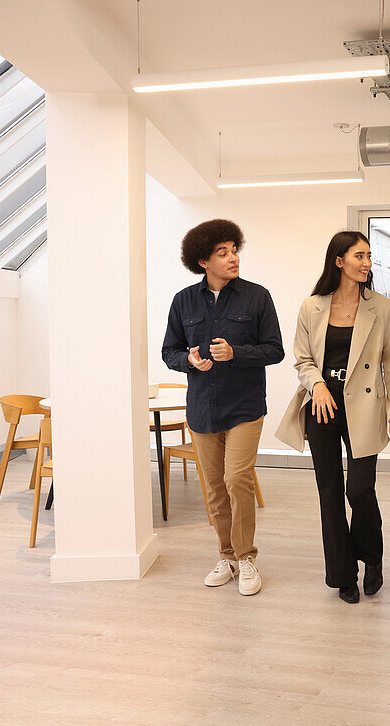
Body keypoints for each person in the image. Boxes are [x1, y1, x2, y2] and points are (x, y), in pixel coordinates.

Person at [276, 231, 390, 604]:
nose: (367, 263)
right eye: (359, 256)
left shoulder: (380, 307)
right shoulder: (311, 306)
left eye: (369, 256)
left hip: (365, 405)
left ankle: (373, 559)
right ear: (339, 261)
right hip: (322, 404)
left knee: (359, 489)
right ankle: (343, 574)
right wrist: (315, 385)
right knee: (330, 491)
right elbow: (302, 359)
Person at [162, 219, 284, 596]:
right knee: (214, 488)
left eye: (235, 250)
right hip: (202, 408)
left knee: (236, 480)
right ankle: (227, 556)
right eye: (223, 253)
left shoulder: (257, 296)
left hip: (245, 407)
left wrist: (237, 353)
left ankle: (247, 557)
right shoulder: (184, 301)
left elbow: (275, 350)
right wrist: (189, 361)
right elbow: (169, 351)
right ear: (203, 261)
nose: (233, 258)